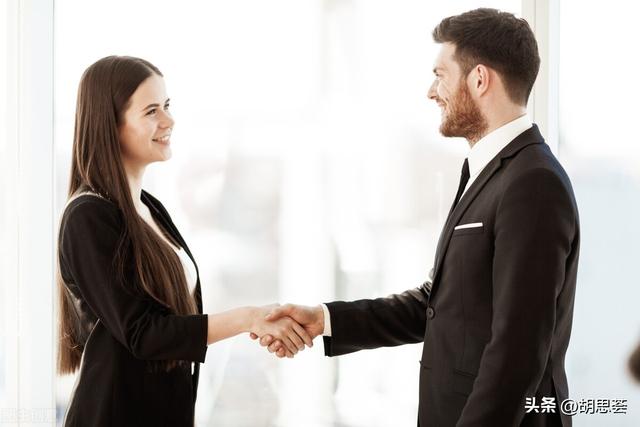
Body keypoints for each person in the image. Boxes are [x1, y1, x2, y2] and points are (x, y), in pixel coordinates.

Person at [256, 8, 580, 427]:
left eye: (441, 74)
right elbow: (441, 305)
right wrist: (326, 319)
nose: (432, 91)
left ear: (479, 79)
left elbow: (518, 349)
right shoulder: (490, 171)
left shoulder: (533, 181)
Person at [56, 55, 312, 427]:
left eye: (168, 105)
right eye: (151, 111)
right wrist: (248, 318)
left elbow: (174, 322)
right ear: (110, 124)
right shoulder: (88, 216)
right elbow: (143, 332)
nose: (169, 121)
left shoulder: (148, 208)